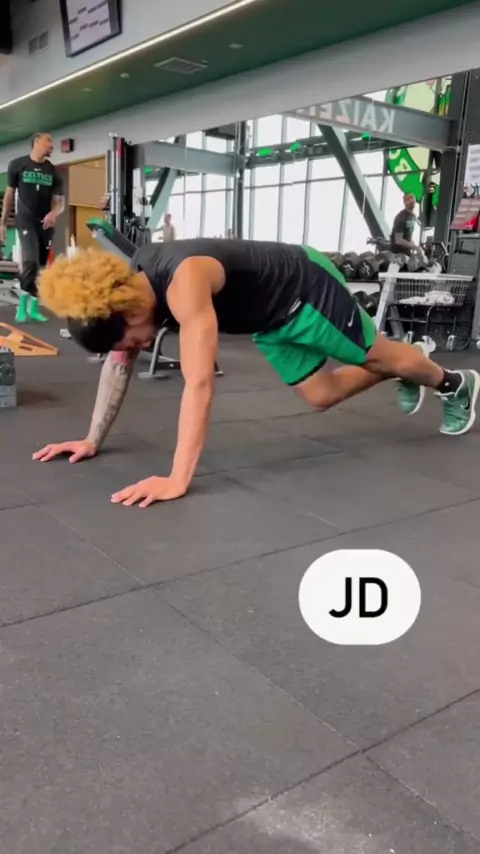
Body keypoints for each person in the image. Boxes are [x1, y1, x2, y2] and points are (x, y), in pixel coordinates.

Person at [33, 240, 479, 508]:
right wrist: (92, 439)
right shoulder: (130, 289)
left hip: (304, 289)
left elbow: (199, 384)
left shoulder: (184, 282)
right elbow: (118, 363)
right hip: (268, 318)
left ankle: (453, 383)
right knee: (321, 395)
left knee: (380, 355)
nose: (135, 350)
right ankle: (404, 362)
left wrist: (176, 479)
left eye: (132, 342)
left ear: (131, 312)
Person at [0, 132, 64, 323]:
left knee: (42, 266)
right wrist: (3, 224)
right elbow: (9, 196)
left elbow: (60, 203)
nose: (51, 146)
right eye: (48, 142)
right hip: (26, 221)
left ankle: (34, 307)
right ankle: (22, 306)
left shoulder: (53, 171)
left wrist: (53, 213)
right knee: (30, 262)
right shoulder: (17, 165)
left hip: (45, 223)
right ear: (36, 142)